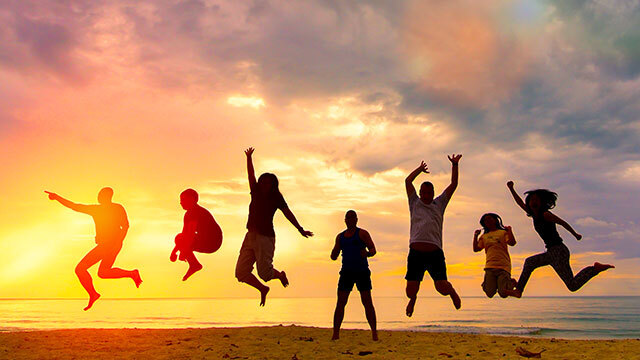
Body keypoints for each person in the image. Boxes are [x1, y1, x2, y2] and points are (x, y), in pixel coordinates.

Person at [507, 181, 614, 297]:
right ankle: (518, 290)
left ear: (542, 202)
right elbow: (519, 203)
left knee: (570, 284)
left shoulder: (545, 215)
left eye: (536, 199)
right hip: (551, 252)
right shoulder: (533, 214)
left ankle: (594, 269)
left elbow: (562, 223)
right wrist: (511, 189)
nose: (533, 201)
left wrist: (575, 234)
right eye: (531, 199)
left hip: (558, 251)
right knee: (571, 285)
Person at [235, 147, 313, 306]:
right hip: (250, 236)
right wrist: (249, 158)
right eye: (262, 181)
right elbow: (250, 175)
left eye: (267, 182)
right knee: (241, 272)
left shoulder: (276, 197)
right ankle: (263, 289)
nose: (264, 184)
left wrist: (300, 229)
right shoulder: (255, 191)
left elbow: (287, 213)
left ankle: (280, 275)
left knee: (265, 273)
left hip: (265, 237)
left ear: (272, 185)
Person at [44, 188, 142, 311]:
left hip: (108, 245)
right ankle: (132, 273)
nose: (98, 197)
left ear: (105, 196)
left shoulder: (109, 209)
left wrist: (117, 242)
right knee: (103, 272)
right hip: (112, 245)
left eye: (100, 195)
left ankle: (93, 294)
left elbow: (126, 226)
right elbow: (75, 206)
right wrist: (118, 243)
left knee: (80, 269)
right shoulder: (103, 209)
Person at [404, 155, 462, 317]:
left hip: (434, 253)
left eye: (430, 192)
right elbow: (408, 182)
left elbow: (454, 184)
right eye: (424, 192)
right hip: (415, 252)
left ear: (433, 193)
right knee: (410, 291)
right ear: (420, 192)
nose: (427, 194)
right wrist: (419, 170)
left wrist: (455, 165)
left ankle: (452, 292)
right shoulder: (414, 202)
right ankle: (413, 300)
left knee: (441, 288)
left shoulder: (439, 203)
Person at [330, 210, 378, 341]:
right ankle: (335, 334)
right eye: (348, 218)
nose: (350, 220)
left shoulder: (362, 233)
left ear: (356, 220)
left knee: (367, 302)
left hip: (362, 271)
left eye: (353, 218)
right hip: (346, 272)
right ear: (345, 220)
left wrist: (367, 254)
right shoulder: (340, 237)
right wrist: (334, 252)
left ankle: (374, 333)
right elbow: (333, 256)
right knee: (341, 303)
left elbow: (373, 249)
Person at [170, 188, 223, 281]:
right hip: (204, 239)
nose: (180, 202)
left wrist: (184, 251)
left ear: (192, 199)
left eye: (183, 200)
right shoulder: (187, 214)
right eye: (180, 200)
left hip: (213, 241)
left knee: (182, 239)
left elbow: (190, 235)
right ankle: (194, 264)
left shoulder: (195, 211)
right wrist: (174, 252)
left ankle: (194, 265)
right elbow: (184, 234)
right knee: (179, 238)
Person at [472, 213, 520, 298]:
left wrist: (509, 231)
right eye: (485, 220)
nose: (488, 221)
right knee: (489, 293)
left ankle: (511, 283)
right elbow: (476, 249)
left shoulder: (503, 233)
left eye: (490, 219)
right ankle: (504, 283)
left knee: (503, 294)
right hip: (489, 266)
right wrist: (475, 236)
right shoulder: (484, 236)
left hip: (503, 266)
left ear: (495, 220)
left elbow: (512, 243)